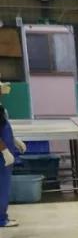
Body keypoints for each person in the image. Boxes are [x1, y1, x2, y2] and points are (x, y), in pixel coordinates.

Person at [0, 85, 27, 227]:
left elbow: (3, 127)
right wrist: (4, 151)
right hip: (1, 156)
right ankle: (0, 219)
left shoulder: (1, 108)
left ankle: (2, 217)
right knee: (1, 187)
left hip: (4, 152)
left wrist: (14, 140)